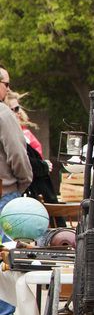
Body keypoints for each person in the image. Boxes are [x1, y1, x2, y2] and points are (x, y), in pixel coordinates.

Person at [0, 66, 32, 212]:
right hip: (4, 194)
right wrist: (24, 182)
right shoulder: (3, 113)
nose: (8, 89)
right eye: (6, 84)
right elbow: (17, 153)